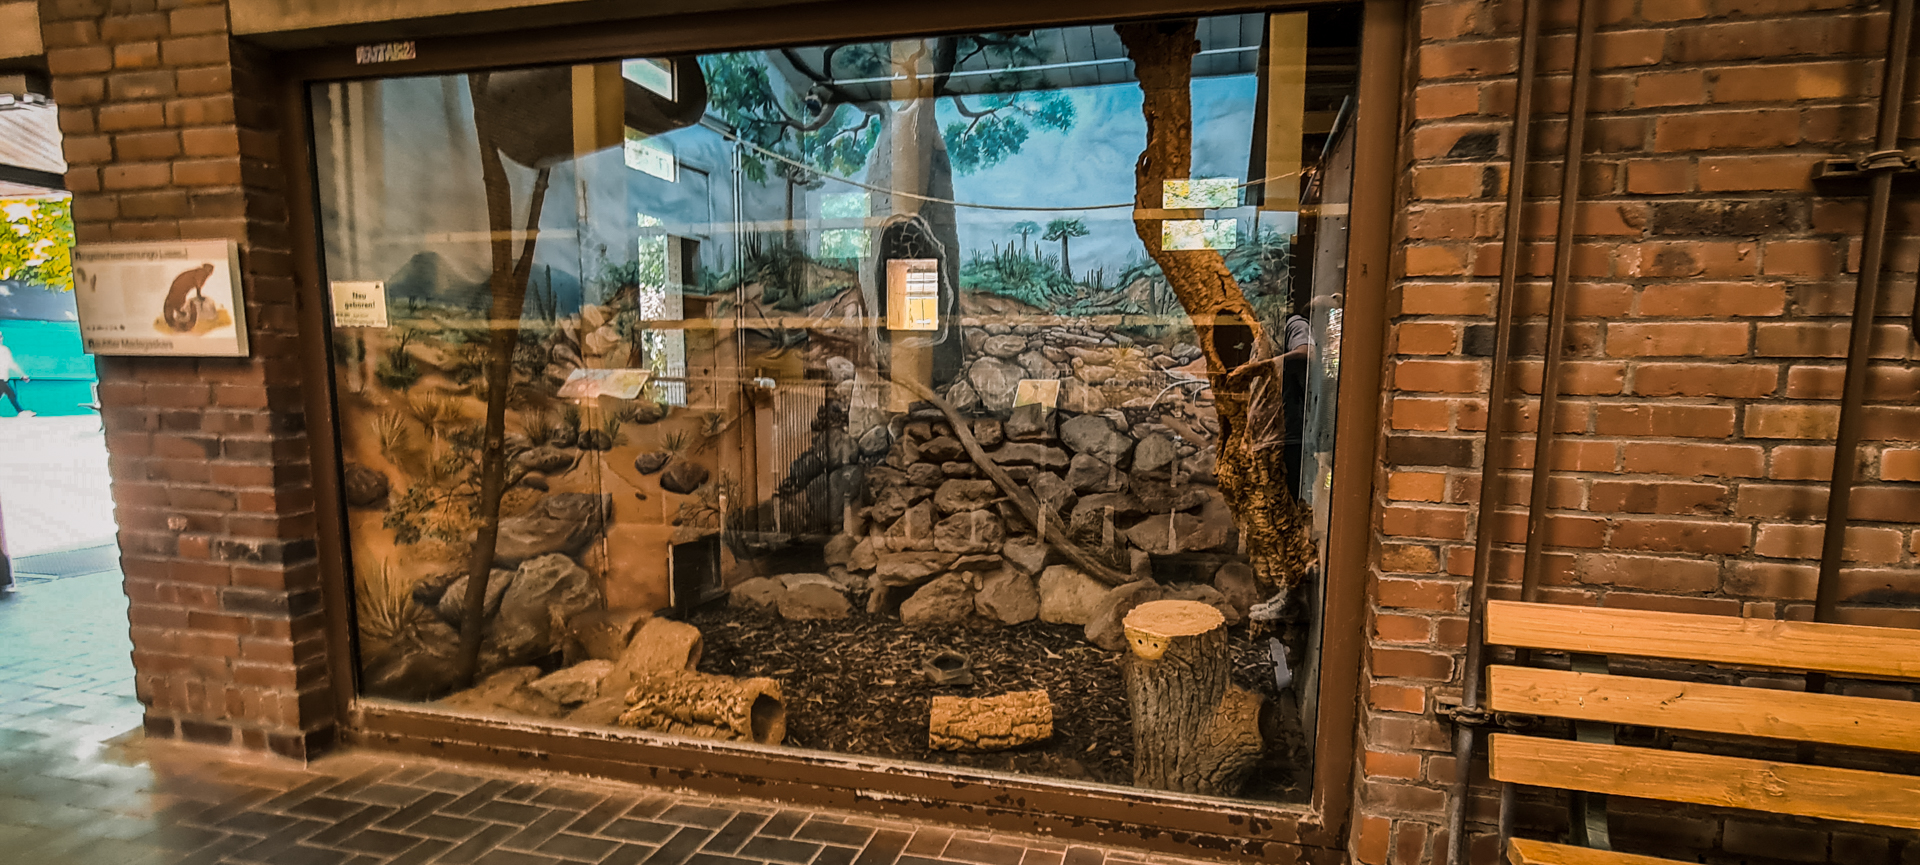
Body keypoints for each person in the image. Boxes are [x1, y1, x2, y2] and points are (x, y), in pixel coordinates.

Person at [0, 331, 32, 418]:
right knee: (11, 394)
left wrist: (21, 375)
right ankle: (20, 412)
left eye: (1, 336)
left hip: (3, 378)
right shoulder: (4, 350)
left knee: (10, 394)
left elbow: (11, 364)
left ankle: (21, 412)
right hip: (1, 379)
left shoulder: (5, 350)